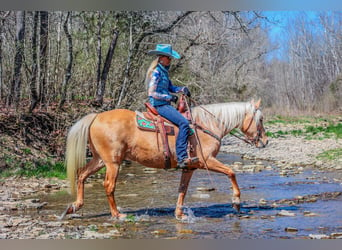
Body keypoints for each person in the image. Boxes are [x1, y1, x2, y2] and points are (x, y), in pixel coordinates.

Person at [145, 44, 196, 169]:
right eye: (168, 58)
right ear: (162, 58)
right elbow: (151, 93)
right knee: (184, 123)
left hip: (164, 104)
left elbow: (170, 88)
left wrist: (181, 89)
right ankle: (181, 157)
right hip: (159, 105)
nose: (170, 60)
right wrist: (169, 98)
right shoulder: (156, 72)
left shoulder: (164, 72)